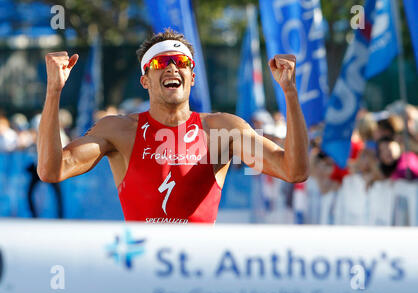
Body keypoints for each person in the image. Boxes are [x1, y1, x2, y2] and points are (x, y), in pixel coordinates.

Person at [37, 29, 309, 224]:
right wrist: (53, 90)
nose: (171, 68)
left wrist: (290, 93)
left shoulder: (222, 130)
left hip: (196, 275)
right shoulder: (118, 131)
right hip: (141, 272)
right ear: (145, 81)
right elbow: (52, 170)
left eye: (180, 62)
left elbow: (293, 170)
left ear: (192, 77)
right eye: (160, 63)